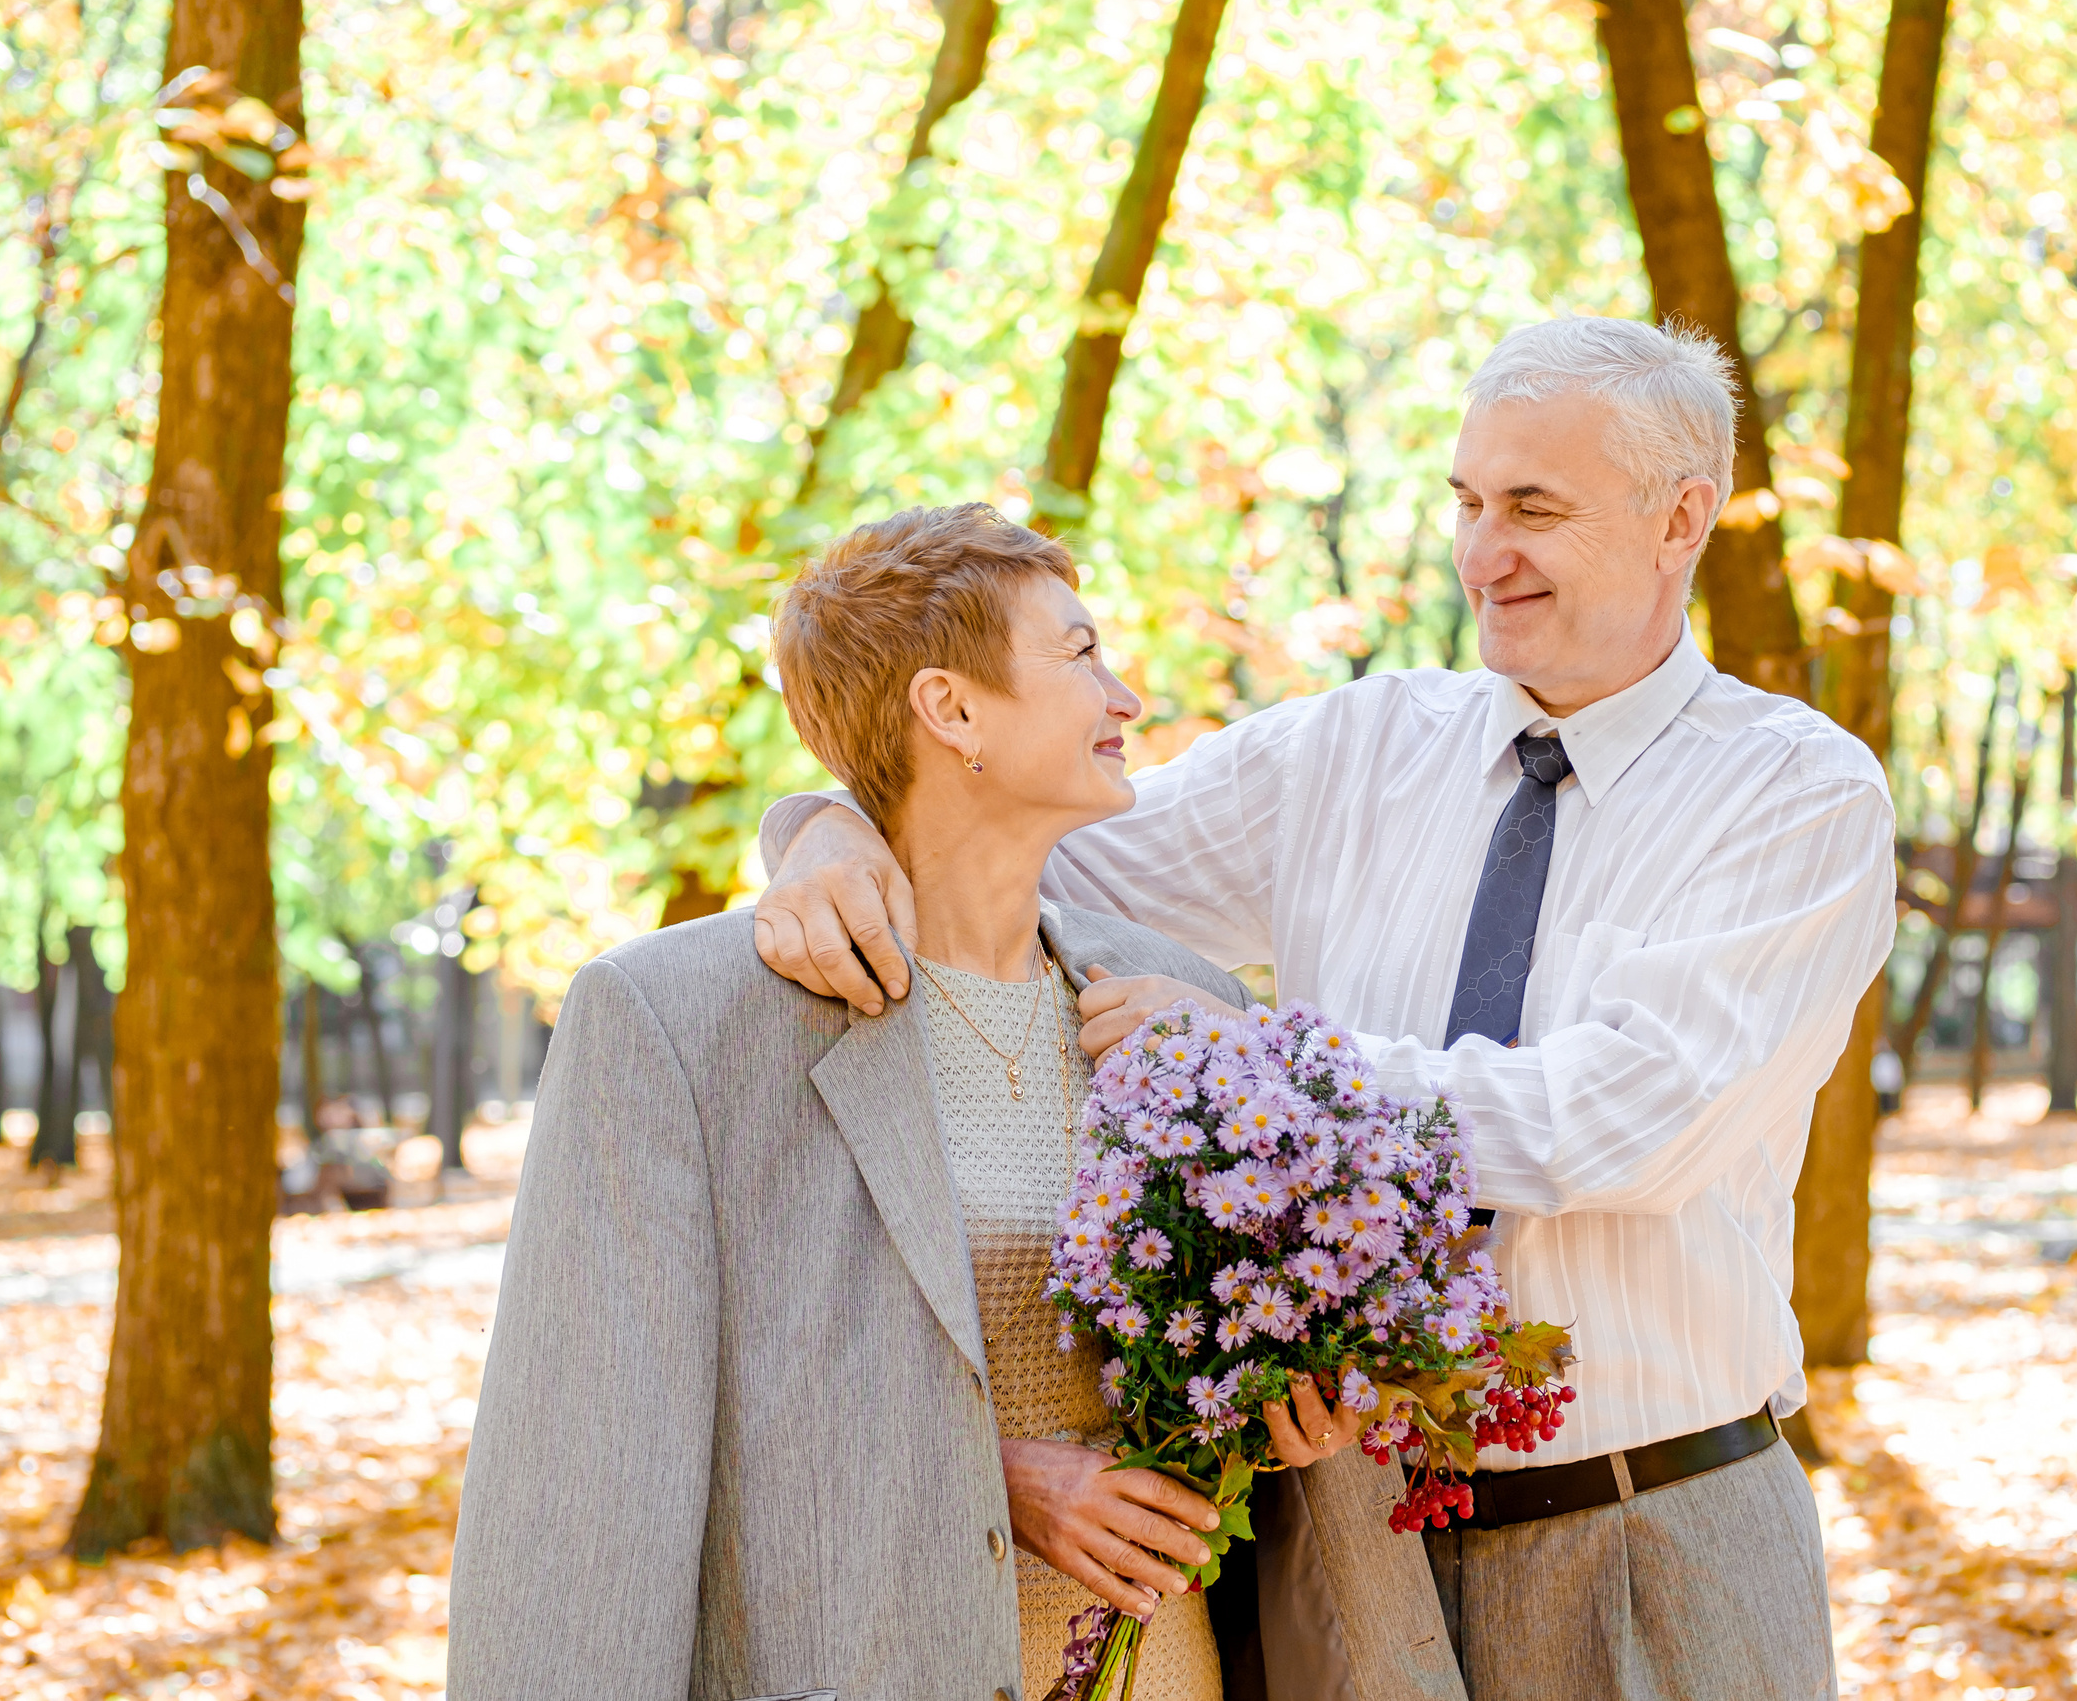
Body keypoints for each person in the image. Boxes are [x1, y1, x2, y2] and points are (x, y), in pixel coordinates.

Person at [749, 317, 1898, 1700]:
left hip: (1654, 1534)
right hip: (1346, 1538)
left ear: (1682, 517)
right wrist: (821, 827)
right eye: (1469, 501)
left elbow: (1629, 1119)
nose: (1484, 552)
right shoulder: (1349, 748)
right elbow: (1006, 839)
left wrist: (1273, 1073)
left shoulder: (1795, 793)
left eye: (1534, 506)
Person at [448, 505, 1454, 1701]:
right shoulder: (676, 1024)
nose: (1126, 696)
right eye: (1080, 655)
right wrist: (990, 1480)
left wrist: (1301, 1409)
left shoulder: (1179, 1006)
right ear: (952, 709)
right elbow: (587, 1484)